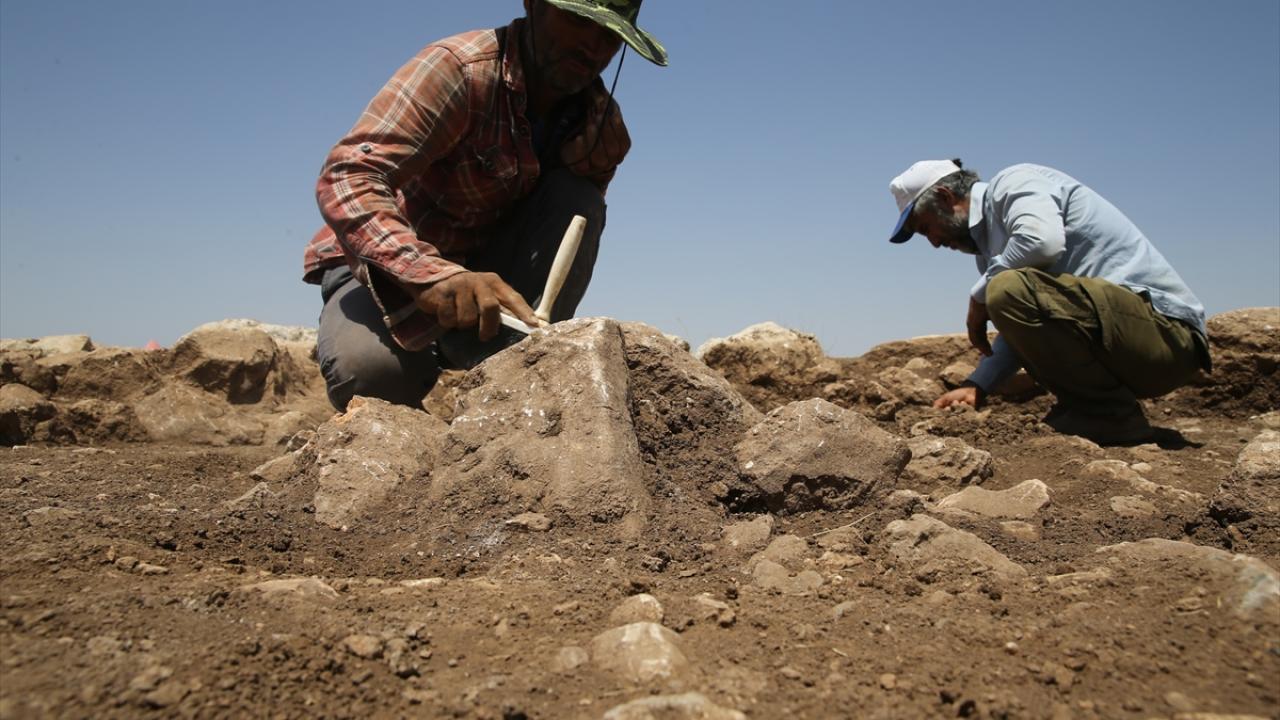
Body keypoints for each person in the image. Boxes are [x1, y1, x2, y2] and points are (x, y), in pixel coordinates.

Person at [303, 0, 667, 410]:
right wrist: (431, 277)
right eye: (577, 20)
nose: (593, 45)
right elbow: (349, 175)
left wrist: (590, 173)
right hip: (386, 270)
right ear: (532, 5)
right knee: (372, 375)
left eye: (609, 35)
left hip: (487, 273)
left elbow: (559, 230)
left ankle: (518, 368)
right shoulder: (460, 69)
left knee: (580, 201)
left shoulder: (599, 124)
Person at [886, 160, 1212, 444]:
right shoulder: (990, 257)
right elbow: (1026, 325)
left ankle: (1108, 415)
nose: (934, 242)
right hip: (1129, 349)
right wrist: (977, 385)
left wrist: (978, 296)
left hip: (1167, 336)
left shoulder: (1014, 183)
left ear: (946, 197)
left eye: (927, 228)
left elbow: (1042, 243)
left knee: (1005, 289)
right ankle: (1096, 411)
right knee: (1006, 291)